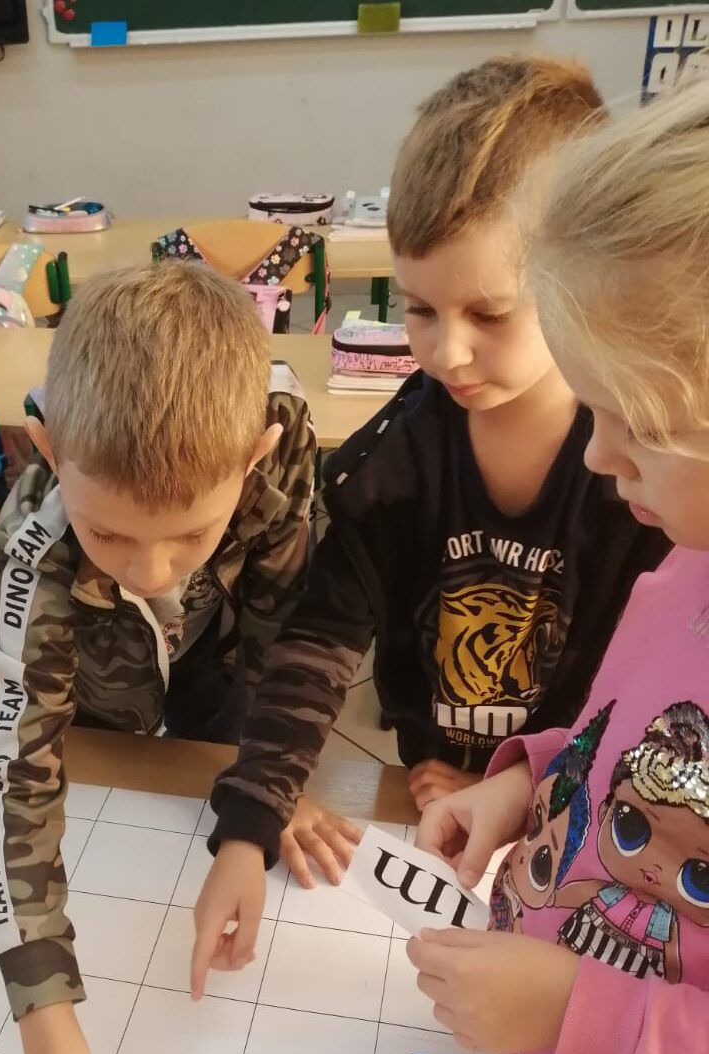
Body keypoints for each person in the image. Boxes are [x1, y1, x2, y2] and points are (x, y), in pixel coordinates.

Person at [191, 57, 669, 997]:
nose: (447, 351)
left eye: (489, 313)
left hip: (575, 805)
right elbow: (319, 643)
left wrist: (528, 784)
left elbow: (648, 690)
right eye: (418, 309)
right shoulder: (393, 467)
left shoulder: (640, 481)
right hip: (436, 784)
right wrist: (249, 825)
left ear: (581, 280)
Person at [414, 80, 709, 1054]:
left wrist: (575, 1007)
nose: (595, 459)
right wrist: (526, 783)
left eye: (634, 427)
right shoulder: (683, 557)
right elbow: (622, 738)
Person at [0, 262, 316, 1054]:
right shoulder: (31, 552)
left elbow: (288, 628)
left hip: (210, 677)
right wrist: (52, 1047)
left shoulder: (282, 444)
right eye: (109, 535)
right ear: (47, 448)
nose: (151, 569)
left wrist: (275, 777)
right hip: (97, 710)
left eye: (189, 534)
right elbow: (12, 783)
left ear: (256, 454)